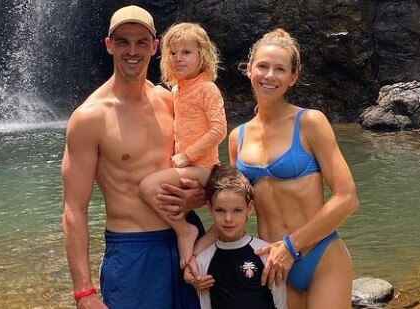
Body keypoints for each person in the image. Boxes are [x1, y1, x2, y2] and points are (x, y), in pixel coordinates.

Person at [187, 29, 359, 309]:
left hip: (320, 256)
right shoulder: (237, 138)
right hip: (270, 264)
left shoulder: (310, 123)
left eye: (280, 69)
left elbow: (347, 197)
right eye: (263, 66)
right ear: (249, 70)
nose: (269, 76)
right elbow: (231, 207)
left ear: (293, 77)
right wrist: (193, 258)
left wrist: (291, 247)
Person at [61, 5, 203, 309]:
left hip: (186, 243)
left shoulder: (168, 101)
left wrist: (199, 197)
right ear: (109, 45)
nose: (132, 51)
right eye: (123, 41)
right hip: (133, 251)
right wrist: (83, 292)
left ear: (154, 47)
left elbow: (200, 166)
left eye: (141, 42)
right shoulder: (89, 117)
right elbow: (74, 209)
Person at [139, 22, 227, 269]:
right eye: (173, 53)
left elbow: (219, 129)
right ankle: (197, 258)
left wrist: (187, 156)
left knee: (147, 187)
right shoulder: (177, 89)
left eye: (186, 52)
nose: (178, 59)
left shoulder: (207, 89)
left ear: (203, 55)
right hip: (190, 167)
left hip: (205, 167)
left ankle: (184, 231)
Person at [195, 164, 287, 309]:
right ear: (209, 209)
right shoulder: (203, 260)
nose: (228, 218)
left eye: (237, 210)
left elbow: (280, 303)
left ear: (249, 208)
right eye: (220, 210)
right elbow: (205, 305)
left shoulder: (266, 253)